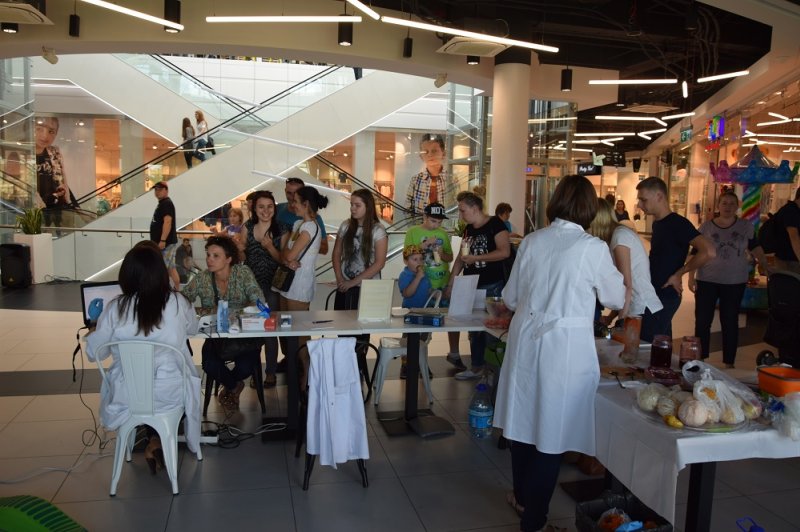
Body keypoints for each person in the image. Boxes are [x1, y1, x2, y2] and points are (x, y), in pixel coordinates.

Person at [494, 175, 625, 532]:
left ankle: (524, 500)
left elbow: (510, 297)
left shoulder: (532, 241)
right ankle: (534, 520)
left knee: (522, 422)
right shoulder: (592, 248)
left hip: (527, 338)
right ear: (589, 208)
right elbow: (615, 298)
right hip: (564, 346)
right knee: (551, 432)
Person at [86, 243, 201, 473]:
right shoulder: (177, 302)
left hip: (128, 396)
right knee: (180, 380)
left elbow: (94, 353)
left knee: (130, 383)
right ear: (161, 272)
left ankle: (150, 441)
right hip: (170, 394)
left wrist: (95, 327)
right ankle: (158, 440)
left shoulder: (116, 308)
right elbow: (193, 329)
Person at [182, 235, 264, 409]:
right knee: (209, 364)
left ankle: (229, 386)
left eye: (216, 256)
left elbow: (259, 302)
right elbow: (182, 301)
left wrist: (229, 313)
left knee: (246, 366)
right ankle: (234, 386)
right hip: (216, 338)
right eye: (208, 254)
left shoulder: (242, 273)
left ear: (228, 259)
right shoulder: (202, 278)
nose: (209, 259)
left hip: (244, 336)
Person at [689, 192, 768, 368]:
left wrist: (764, 264)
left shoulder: (745, 226)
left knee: (730, 321)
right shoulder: (706, 227)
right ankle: (700, 358)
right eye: (724, 203)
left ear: (737, 206)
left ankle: (729, 362)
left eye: (732, 203)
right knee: (702, 320)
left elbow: (755, 247)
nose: (728, 207)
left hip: (734, 281)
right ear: (718, 205)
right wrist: (690, 277)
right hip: (707, 279)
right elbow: (696, 253)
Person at [635, 176, 716, 342]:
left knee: (648, 342)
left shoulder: (678, 223)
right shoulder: (658, 223)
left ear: (659, 196)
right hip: (654, 292)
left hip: (666, 294)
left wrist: (680, 273)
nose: (640, 205)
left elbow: (708, 251)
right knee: (661, 343)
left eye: (643, 200)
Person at [445, 191, 510, 380]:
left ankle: (492, 370)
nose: (460, 215)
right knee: (474, 329)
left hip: (493, 284)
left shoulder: (495, 224)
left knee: (492, 329)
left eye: (463, 210)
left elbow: (504, 252)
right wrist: (451, 283)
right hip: (472, 285)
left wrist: (477, 258)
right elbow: (461, 257)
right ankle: (477, 367)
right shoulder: (469, 229)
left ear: (475, 208)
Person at [277, 186, 328, 382]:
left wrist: (287, 258)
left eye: (296, 201)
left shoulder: (309, 228)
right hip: (290, 283)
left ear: (306, 204)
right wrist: (287, 258)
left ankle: (307, 375)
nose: (292, 205)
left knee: (300, 333)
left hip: (299, 285)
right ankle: (298, 371)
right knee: (288, 329)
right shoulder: (299, 224)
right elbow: (285, 254)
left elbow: (288, 255)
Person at [404, 202, 464, 370]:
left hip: (443, 282)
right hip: (423, 284)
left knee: (452, 319)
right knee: (420, 324)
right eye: (433, 221)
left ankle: (454, 353)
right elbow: (406, 257)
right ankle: (413, 359)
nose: (436, 225)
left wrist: (441, 253)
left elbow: (450, 257)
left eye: (439, 222)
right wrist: (423, 246)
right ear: (424, 217)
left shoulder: (442, 233)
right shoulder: (413, 232)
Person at [589, 199, 662, 324]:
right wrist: (611, 317)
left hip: (642, 309)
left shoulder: (620, 237)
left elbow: (626, 284)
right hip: (636, 309)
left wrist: (620, 321)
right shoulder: (617, 235)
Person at [241, 190, 285, 387]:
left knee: (269, 330)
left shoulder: (281, 229)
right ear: (254, 208)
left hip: (272, 287)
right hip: (251, 287)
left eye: (269, 207)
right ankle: (255, 372)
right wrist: (238, 250)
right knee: (252, 331)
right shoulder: (247, 227)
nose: (266, 211)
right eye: (261, 207)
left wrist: (270, 247)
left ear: (274, 208)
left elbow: (284, 260)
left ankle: (270, 373)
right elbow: (243, 256)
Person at [35, 117, 79, 228]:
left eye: (51, 131)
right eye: (39, 129)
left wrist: (69, 202)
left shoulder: (54, 152)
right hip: (36, 209)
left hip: (56, 205)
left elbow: (63, 178)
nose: (45, 136)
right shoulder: (22, 151)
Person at [397, 244, 434, 378]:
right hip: (410, 312)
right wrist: (418, 278)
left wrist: (434, 293)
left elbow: (427, 289)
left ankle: (422, 363)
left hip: (424, 311)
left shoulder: (425, 274)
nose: (419, 262)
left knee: (423, 341)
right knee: (408, 340)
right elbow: (407, 293)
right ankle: (406, 365)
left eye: (421, 259)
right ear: (406, 261)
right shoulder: (405, 275)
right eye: (414, 259)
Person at [405, 134, 458, 217]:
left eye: (434, 151)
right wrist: (415, 224)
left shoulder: (452, 179)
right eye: (426, 152)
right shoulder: (416, 180)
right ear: (421, 156)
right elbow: (408, 208)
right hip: (421, 224)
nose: (430, 155)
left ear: (443, 153)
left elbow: (456, 207)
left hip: (444, 224)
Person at [276, 177, 329, 255]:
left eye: (296, 193)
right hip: (274, 259)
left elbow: (324, 249)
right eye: (289, 193)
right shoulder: (277, 208)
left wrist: (301, 241)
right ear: (285, 191)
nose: (292, 197)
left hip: (294, 261)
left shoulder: (315, 218)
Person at [150, 181, 181, 289]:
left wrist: (162, 240)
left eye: (160, 189)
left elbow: (168, 221)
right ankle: (177, 290)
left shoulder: (166, 204)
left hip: (165, 244)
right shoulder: (163, 203)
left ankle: (163, 291)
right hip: (166, 243)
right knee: (171, 269)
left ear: (166, 190)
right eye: (156, 190)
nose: (157, 192)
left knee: (162, 269)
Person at [770, 187, 800, 273]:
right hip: (789, 260)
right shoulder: (791, 211)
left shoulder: (794, 210)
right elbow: (794, 237)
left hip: (790, 259)